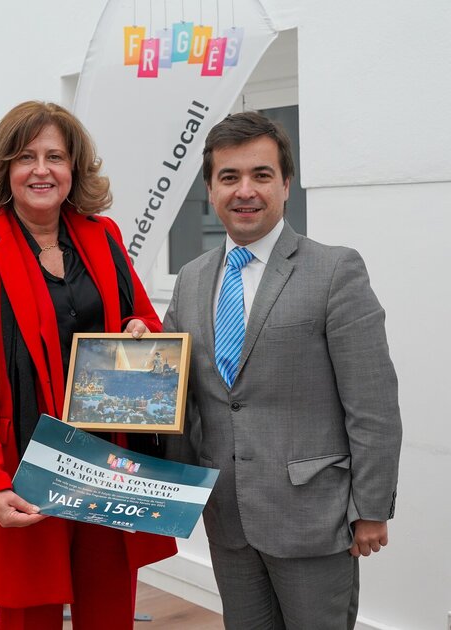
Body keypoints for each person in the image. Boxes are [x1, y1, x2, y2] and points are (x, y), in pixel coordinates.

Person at [0, 101, 177, 630]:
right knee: (31, 615)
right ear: (5, 169)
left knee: (110, 610)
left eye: (55, 156)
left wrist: (141, 329)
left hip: (109, 458)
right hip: (26, 467)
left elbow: (142, 316)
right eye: (26, 157)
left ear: (74, 168)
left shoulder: (103, 235)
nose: (41, 170)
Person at [162, 111, 402, 629]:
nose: (245, 190)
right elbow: (178, 394)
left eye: (261, 175)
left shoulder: (335, 270)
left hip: (314, 517)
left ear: (286, 184)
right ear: (210, 189)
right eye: (229, 177)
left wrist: (371, 508)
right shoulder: (191, 279)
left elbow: (373, 404)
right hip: (227, 517)